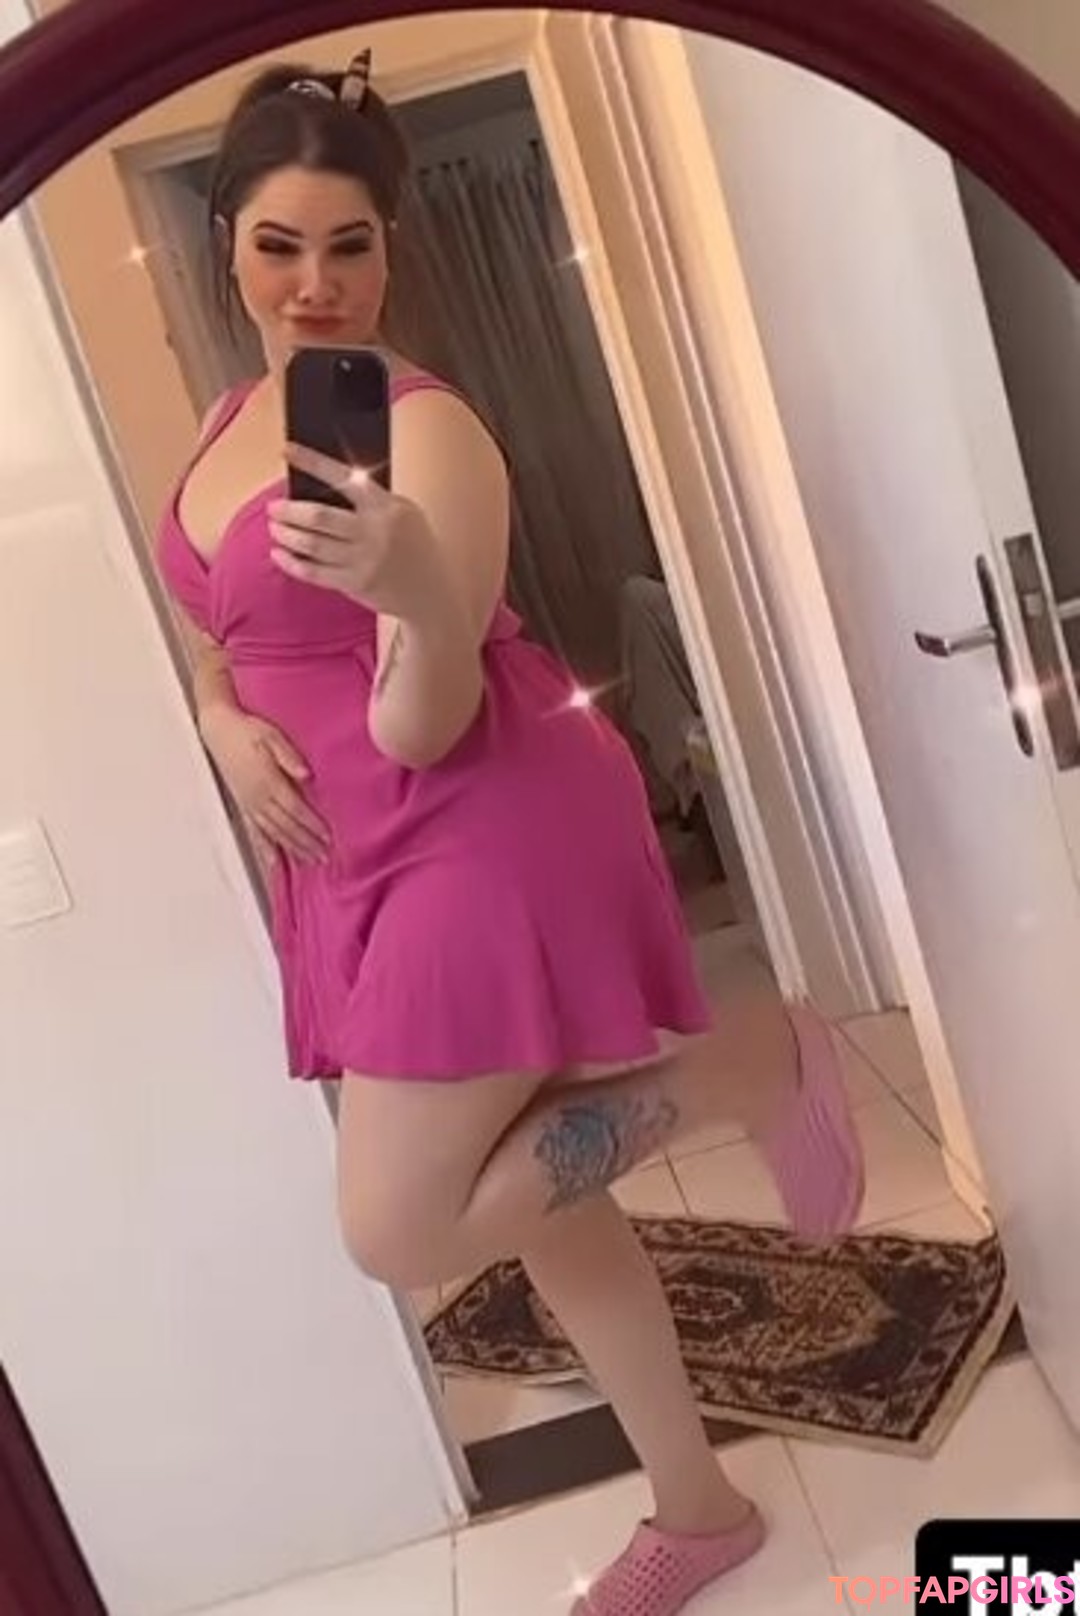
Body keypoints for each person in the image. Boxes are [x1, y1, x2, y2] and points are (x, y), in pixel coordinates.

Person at [156, 49, 865, 1616]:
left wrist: (414, 586)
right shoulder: (225, 422)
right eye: (281, 243)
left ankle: (745, 1064)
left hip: (479, 825)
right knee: (556, 1206)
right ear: (227, 245)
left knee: (400, 1226)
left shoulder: (430, 437)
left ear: (391, 250)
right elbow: (218, 629)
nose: (317, 283)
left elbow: (425, 717)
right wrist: (217, 717)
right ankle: (701, 1509)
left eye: (351, 245)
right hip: (348, 859)